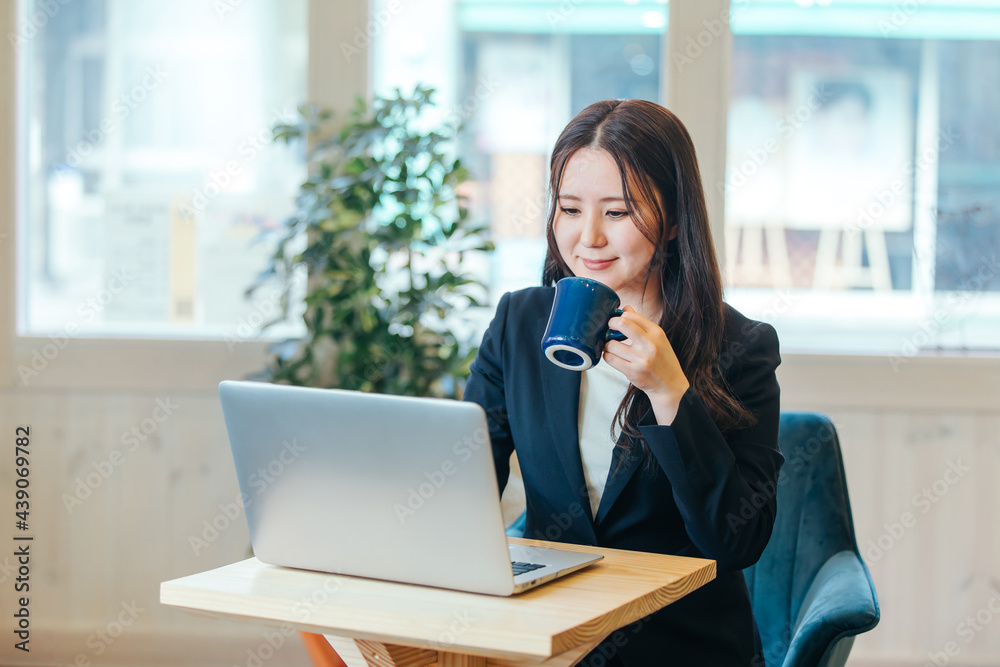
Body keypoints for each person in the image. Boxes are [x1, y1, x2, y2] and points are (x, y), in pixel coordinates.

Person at [462, 99, 783, 666]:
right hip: (549, 644)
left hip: (680, 649)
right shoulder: (518, 324)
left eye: (617, 212)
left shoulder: (742, 347)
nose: (588, 239)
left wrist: (669, 394)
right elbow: (463, 487)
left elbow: (736, 541)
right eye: (568, 209)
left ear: (675, 219)